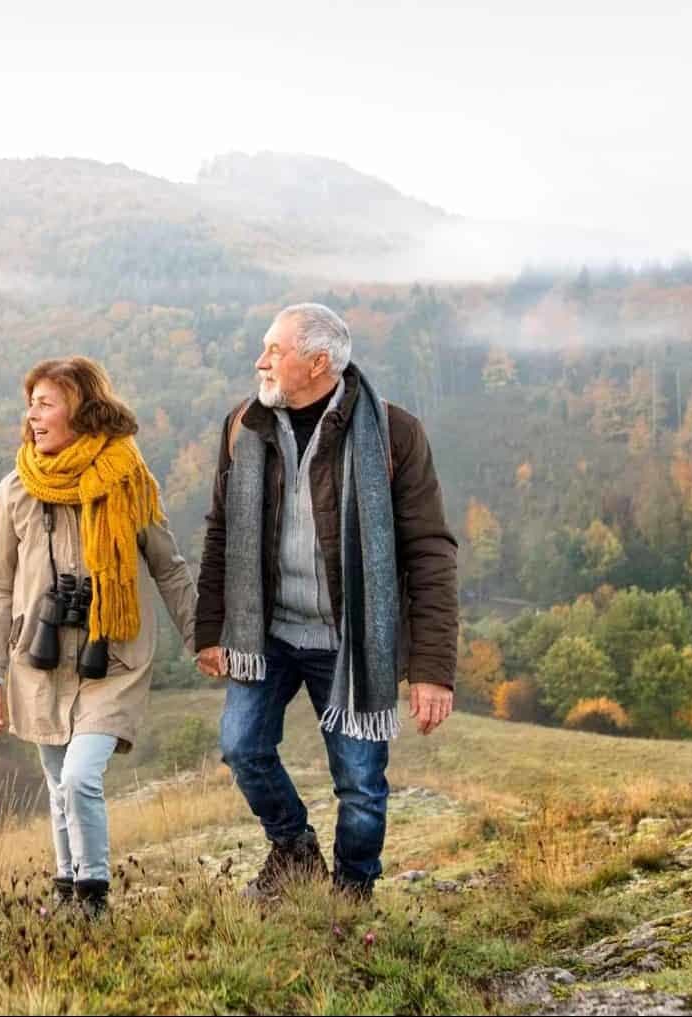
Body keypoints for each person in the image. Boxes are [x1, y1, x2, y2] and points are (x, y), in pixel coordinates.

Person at [195, 303, 459, 902]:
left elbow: (430, 553)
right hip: (269, 632)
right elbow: (221, 531)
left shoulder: (394, 435)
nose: (260, 361)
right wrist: (211, 629)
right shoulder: (245, 425)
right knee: (242, 747)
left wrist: (432, 671)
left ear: (318, 364)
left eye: (274, 351)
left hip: (351, 641)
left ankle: (352, 896)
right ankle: (293, 850)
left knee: (361, 784)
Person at [0, 356, 198, 917]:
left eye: (45, 404)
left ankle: (93, 897)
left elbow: (168, 567)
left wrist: (202, 639)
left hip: (112, 657)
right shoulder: (16, 490)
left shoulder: (128, 484)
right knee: (57, 783)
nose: (32, 417)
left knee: (78, 778)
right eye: (31, 405)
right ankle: (66, 887)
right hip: (39, 658)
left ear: (80, 410)